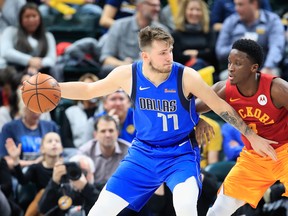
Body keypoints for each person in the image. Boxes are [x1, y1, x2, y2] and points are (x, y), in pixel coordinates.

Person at [31, 26, 277, 216]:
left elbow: (220, 106)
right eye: (162, 53)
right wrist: (54, 88)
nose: (169, 56)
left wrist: (251, 136)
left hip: (180, 155)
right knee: (100, 211)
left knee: (186, 208)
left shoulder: (185, 76)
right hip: (143, 154)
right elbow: (88, 90)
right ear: (145, 56)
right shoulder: (127, 74)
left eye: (170, 50)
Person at [195, 38, 288, 216]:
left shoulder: (277, 89)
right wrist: (199, 120)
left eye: (238, 63)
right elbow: (191, 109)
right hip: (254, 158)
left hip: (285, 151)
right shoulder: (224, 89)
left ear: (254, 68)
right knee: (218, 211)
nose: (231, 68)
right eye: (230, 62)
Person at [215, 0, 285, 76]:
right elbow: (220, 52)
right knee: (224, 77)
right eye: (236, 4)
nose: (236, 8)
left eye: (240, 5)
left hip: (264, 67)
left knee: (273, 77)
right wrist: (238, 47)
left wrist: (268, 67)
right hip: (236, 70)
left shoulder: (272, 20)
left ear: (254, 4)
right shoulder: (230, 22)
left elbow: (276, 47)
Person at [98, 0, 166, 78]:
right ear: (140, 6)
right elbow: (106, 58)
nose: (157, 9)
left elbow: (166, 59)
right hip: (124, 73)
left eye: (158, 6)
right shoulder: (119, 26)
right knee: (107, 69)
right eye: (152, 5)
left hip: (151, 74)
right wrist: (126, 65)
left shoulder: (161, 31)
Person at [0, 3, 57, 75]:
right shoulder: (10, 31)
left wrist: (36, 65)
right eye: (27, 16)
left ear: (40, 18)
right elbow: (6, 52)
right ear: (21, 19)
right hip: (16, 73)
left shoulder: (48, 36)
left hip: (41, 73)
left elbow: (51, 59)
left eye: (34, 16)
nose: (31, 19)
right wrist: (29, 60)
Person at [172, 0, 218, 71]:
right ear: (184, 11)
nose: (194, 13)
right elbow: (177, 57)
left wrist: (195, 53)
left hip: (208, 71)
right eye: (191, 9)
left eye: (198, 10)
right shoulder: (176, 34)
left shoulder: (209, 32)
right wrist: (203, 52)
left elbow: (212, 55)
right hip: (184, 73)